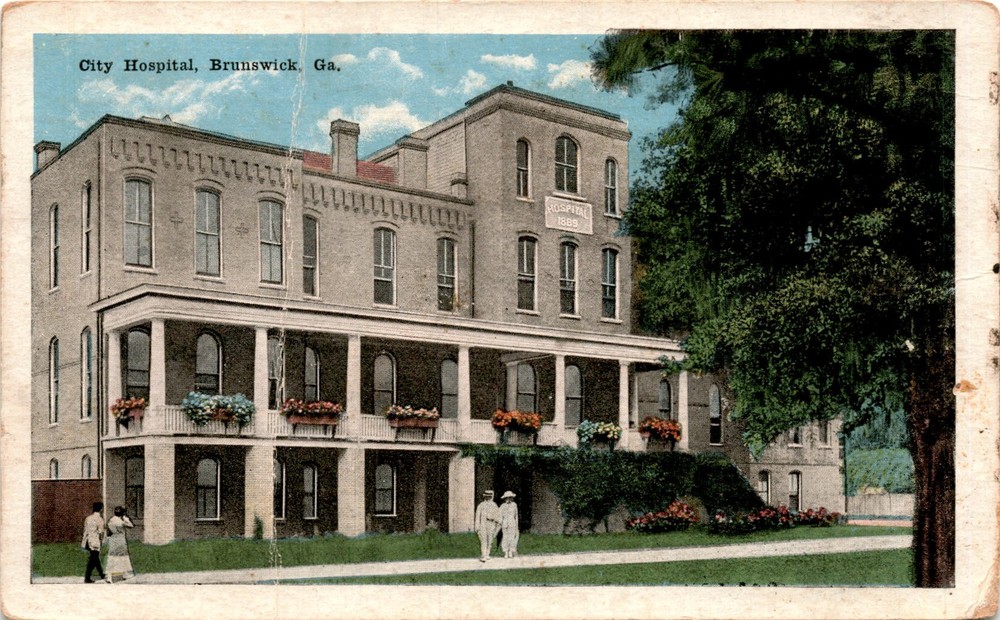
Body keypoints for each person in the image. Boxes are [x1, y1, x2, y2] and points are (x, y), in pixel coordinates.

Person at [105, 506, 135, 583]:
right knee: (124, 557)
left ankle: (109, 575)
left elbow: (108, 532)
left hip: (113, 540)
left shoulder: (111, 520)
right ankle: (126, 574)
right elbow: (131, 525)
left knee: (112, 557)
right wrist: (125, 518)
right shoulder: (120, 521)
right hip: (120, 540)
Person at [81, 502, 106, 583]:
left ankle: (101, 574)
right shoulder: (100, 519)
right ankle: (88, 577)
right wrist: (101, 541)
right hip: (95, 540)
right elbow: (101, 532)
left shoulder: (88, 518)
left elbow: (85, 530)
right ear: (101, 509)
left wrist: (84, 541)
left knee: (94, 558)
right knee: (94, 559)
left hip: (88, 540)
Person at [474, 490, 500, 562]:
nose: (488, 498)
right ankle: (483, 555)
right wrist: (477, 527)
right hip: (483, 524)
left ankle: (488, 553)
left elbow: (497, 516)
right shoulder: (481, 505)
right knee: (483, 540)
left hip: (491, 524)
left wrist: (493, 519)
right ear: (484, 497)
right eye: (486, 496)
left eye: (489, 496)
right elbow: (477, 516)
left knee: (490, 540)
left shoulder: (494, 505)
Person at [499, 491, 520, 558]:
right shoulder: (502, 506)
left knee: (511, 538)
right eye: (507, 498)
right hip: (505, 523)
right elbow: (500, 515)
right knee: (505, 537)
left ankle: (511, 551)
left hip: (512, 523)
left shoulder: (514, 505)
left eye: (510, 498)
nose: (508, 499)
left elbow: (516, 515)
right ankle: (506, 552)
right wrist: (501, 523)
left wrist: (516, 524)